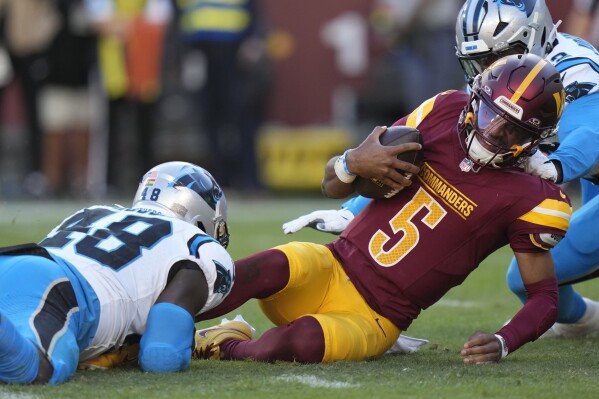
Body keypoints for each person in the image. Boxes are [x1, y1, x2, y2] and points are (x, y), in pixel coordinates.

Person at [191, 54, 571, 365]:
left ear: (534, 139)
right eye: (490, 116)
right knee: (256, 269)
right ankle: (146, 323)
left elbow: (544, 297)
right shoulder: (443, 110)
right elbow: (331, 185)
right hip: (331, 265)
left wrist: (505, 341)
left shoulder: (533, 198)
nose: (492, 134)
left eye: (512, 131)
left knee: (300, 343)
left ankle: (223, 343)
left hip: (375, 316)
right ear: (475, 100)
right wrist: (350, 163)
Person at [285, 0, 599, 339]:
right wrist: (353, 210)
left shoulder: (575, 70)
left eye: (493, 59)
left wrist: (554, 166)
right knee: (526, 283)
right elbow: (439, 150)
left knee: (525, 277)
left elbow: (591, 133)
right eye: (476, 62)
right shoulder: (497, 77)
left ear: (532, 38)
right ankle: (587, 321)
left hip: (588, 167)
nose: (485, 71)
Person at [0, 161, 235, 384]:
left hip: (18, 262)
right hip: (61, 291)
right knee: (36, 369)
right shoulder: (197, 248)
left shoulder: (95, 212)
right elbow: (162, 355)